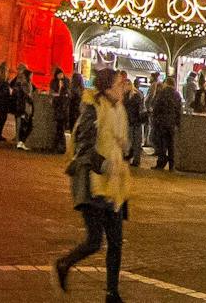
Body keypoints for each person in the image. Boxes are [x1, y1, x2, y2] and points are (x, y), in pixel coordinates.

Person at [54, 68, 132, 303]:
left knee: (116, 242)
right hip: (93, 182)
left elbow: (121, 141)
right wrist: (104, 164)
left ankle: (112, 293)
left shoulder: (120, 109)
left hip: (115, 184)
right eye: (119, 84)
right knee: (95, 241)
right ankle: (64, 263)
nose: (123, 88)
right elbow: (84, 146)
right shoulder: (93, 109)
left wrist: (125, 149)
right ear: (107, 87)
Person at [149, 77, 182, 170]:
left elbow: (156, 107)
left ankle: (161, 162)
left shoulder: (162, 93)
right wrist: (178, 123)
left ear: (166, 83)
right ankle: (172, 165)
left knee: (162, 144)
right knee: (171, 144)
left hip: (161, 122)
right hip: (171, 123)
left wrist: (154, 119)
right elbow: (179, 110)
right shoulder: (177, 95)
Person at [122, 74, 145, 167]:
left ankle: (128, 158)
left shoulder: (126, 96)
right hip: (137, 121)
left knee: (130, 141)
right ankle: (136, 160)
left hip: (130, 121)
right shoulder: (138, 95)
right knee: (136, 142)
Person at [11, 66, 34, 148]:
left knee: (23, 124)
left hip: (22, 106)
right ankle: (20, 142)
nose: (32, 77)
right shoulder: (24, 83)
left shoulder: (26, 83)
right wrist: (30, 98)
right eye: (31, 75)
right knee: (24, 124)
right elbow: (26, 95)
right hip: (23, 106)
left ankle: (20, 141)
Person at [49, 68, 71, 153]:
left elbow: (67, 95)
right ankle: (59, 147)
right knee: (59, 129)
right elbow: (52, 92)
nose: (60, 76)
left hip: (62, 109)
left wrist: (62, 91)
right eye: (59, 74)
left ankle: (59, 147)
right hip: (58, 108)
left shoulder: (66, 82)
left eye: (61, 74)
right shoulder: (54, 82)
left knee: (60, 129)